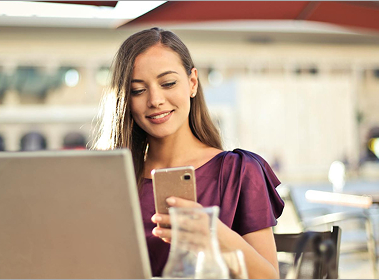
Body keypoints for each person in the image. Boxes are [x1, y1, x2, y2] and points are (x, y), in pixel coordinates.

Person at [93, 27, 284, 278]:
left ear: (192, 83)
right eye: (138, 90)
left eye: (168, 83)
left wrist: (213, 233)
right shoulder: (110, 180)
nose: (155, 100)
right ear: (125, 99)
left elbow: (269, 277)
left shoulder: (239, 170)